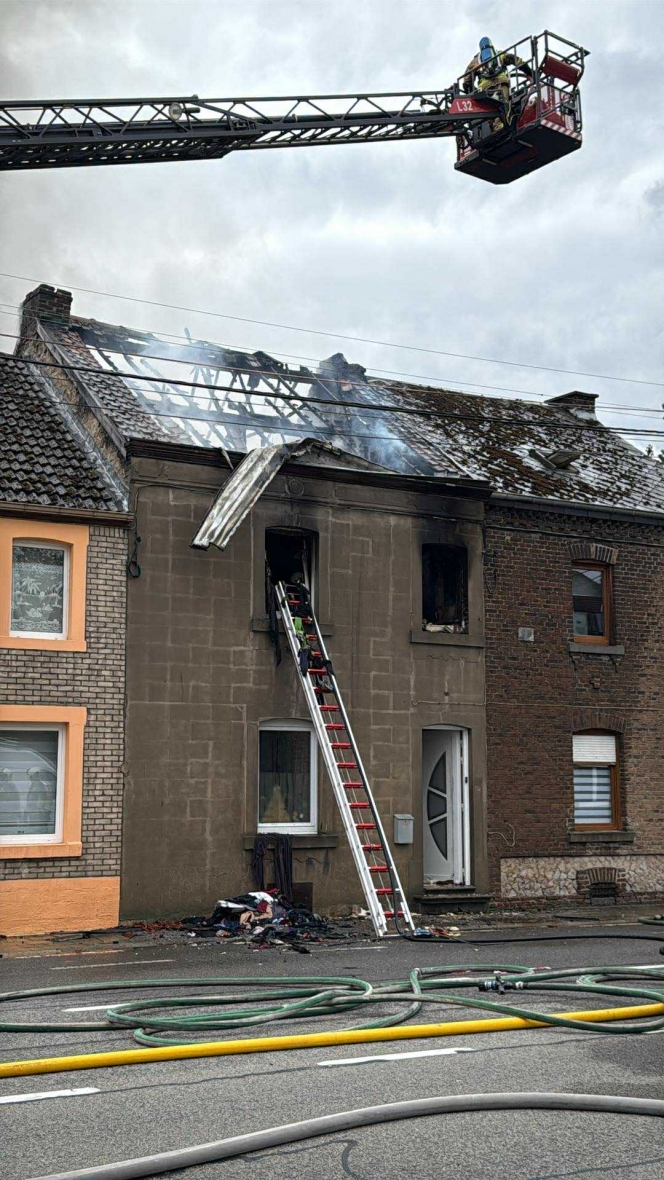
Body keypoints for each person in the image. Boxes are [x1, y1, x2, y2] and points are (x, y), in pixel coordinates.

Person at [463, 37, 532, 127]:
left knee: (489, 109)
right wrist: (529, 71)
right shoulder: (499, 54)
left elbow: (467, 80)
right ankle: (507, 123)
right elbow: (513, 59)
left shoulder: (475, 61)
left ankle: (495, 127)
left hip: (485, 89)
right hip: (501, 84)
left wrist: (472, 92)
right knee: (504, 103)